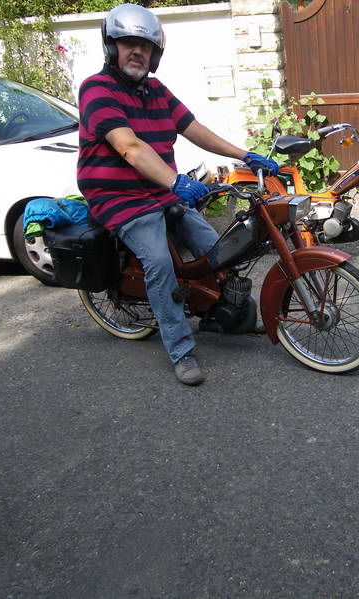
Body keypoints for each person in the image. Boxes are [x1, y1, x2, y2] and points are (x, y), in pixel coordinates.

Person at [77, 4, 278, 386]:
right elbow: (129, 147)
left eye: (146, 46)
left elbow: (193, 128)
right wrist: (174, 182)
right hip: (120, 200)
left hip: (160, 190)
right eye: (129, 43)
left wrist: (246, 156)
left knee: (219, 248)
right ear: (111, 47)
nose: (138, 51)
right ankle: (181, 349)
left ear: (155, 55)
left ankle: (223, 309)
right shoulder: (96, 89)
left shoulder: (156, 90)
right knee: (159, 263)